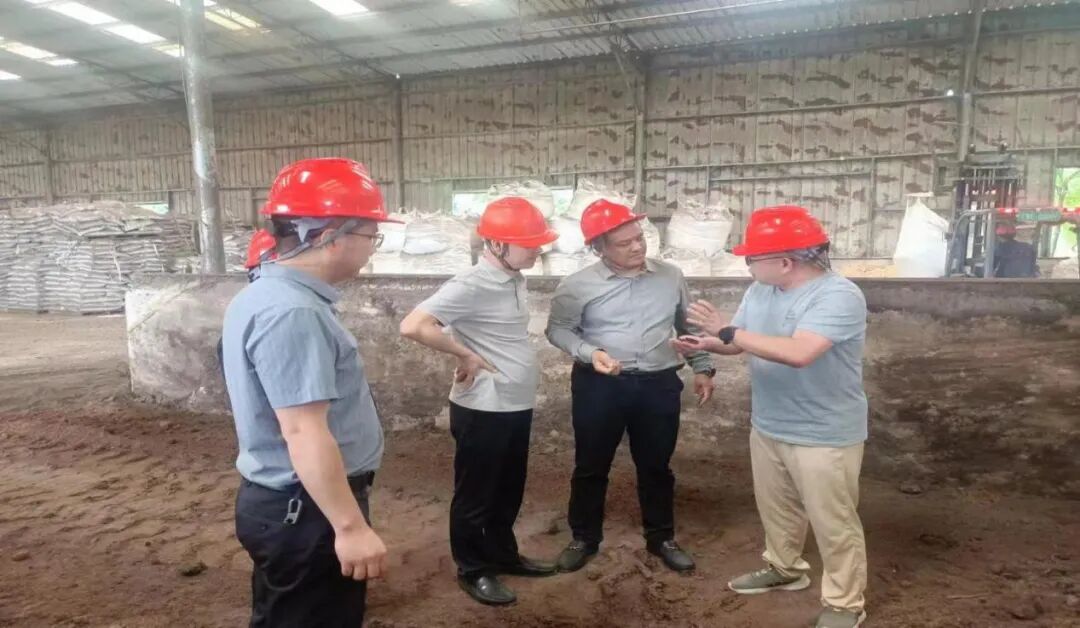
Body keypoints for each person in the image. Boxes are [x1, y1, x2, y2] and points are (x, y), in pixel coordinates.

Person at [672, 205, 869, 628]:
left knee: (834, 522)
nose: (747, 265)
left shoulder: (838, 295)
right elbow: (740, 342)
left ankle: (845, 603)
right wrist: (709, 343)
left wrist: (729, 331)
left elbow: (800, 352)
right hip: (770, 423)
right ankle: (785, 568)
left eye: (752, 258)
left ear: (785, 262)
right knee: (778, 509)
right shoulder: (761, 290)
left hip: (824, 432)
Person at [221, 158, 397, 627]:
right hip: (305, 511)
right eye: (371, 235)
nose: (372, 247)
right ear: (331, 235)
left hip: (293, 504)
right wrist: (350, 527)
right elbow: (302, 430)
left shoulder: (266, 296)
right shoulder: (293, 312)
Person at [398, 197, 559, 605]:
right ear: (498, 244)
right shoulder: (470, 284)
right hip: (483, 409)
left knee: (508, 489)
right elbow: (414, 325)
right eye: (529, 243)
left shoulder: (514, 278)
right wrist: (463, 353)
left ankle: (503, 555)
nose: (538, 249)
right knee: (476, 495)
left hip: (514, 404)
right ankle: (473, 569)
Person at [545, 199, 716, 574]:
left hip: (658, 384)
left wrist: (702, 366)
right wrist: (590, 353)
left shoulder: (670, 276)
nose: (637, 247)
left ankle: (661, 538)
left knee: (656, 466)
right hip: (599, 385)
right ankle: (583, 538)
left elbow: (687, 327)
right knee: (591, 465)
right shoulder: (577, 285)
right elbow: (557, 330)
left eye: (639, 238)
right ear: (599, 248)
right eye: (625, 243)